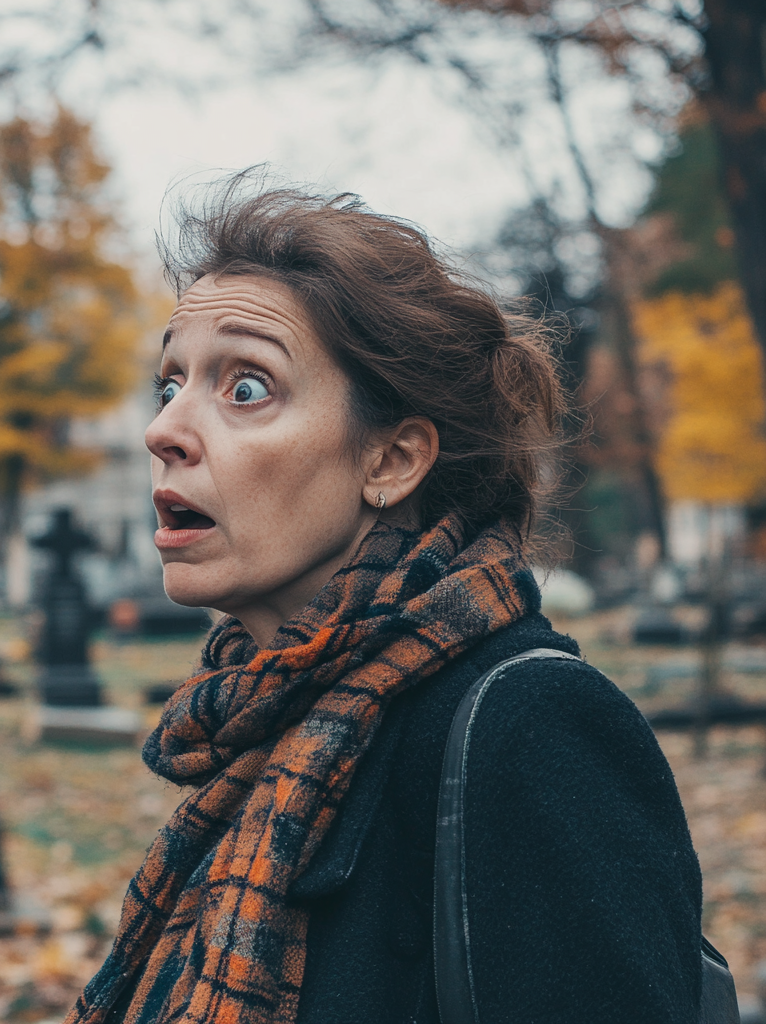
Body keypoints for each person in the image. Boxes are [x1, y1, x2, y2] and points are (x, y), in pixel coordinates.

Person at [63, 176, 703, 1024]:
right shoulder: (266, 730)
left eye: (245, 387)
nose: (164, 430)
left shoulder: (531, 726)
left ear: (392, 462)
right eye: (170, 384)